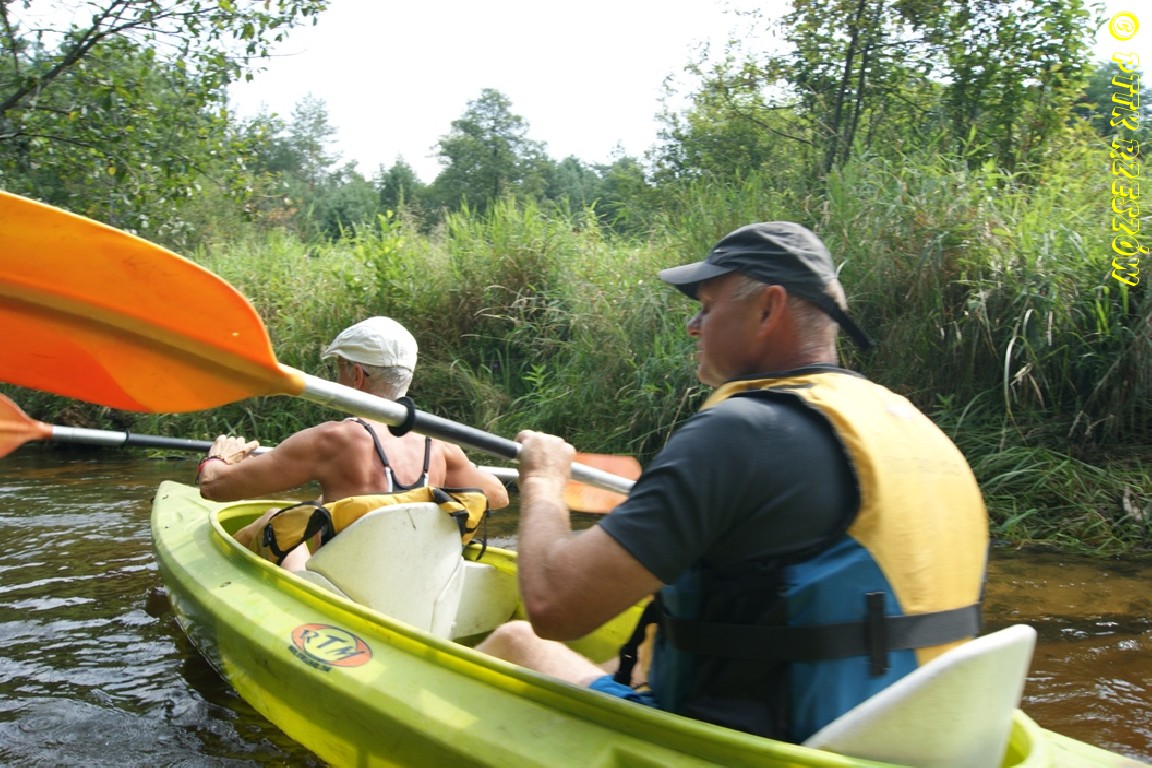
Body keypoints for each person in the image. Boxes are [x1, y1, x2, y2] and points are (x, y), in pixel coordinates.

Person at [476, 222, 989, 743]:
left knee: (518, 640)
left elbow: (554, 605)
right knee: (636, 657)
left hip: (765, 749)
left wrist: (544, 479)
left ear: (768, 308)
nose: (692, 326)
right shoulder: (914, 429)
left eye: (706, 306)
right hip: (919, 738)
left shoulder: (741, 432)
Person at [197, 316, 510, 569]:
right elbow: (497, 496)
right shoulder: (439, 445)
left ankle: (212, 578)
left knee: (270, 519)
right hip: (410, 587)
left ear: (357, 374)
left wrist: (217, 460)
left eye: (337, 368)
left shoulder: (332, 440)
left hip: (341, 592)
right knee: (315, 508)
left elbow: (215, 487)